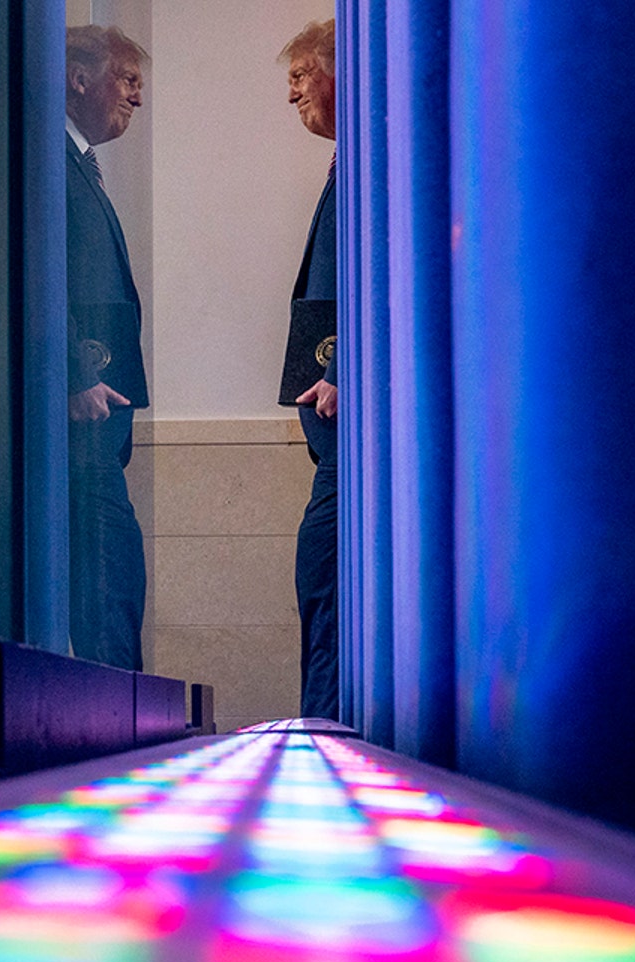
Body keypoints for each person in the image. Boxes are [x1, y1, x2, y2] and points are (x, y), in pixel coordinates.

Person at [65, 25, 150, 670]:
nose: (137, 98)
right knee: (104, 579)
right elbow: (34, 273)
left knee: (115, 576)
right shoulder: (47, 163)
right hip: (74, 419)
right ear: (80, 78)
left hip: (97, 420)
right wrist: (72, 374)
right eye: (129, 79)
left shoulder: (78, 164)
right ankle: (112, 736)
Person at [279, 19, 340, 718]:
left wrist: (348, 369)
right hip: (333, 437)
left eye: (299, 75)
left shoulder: (370, 164)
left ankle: (325, 734)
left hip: (349, 436)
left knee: (323, 581)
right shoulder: (347, 164)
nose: (290, 94)